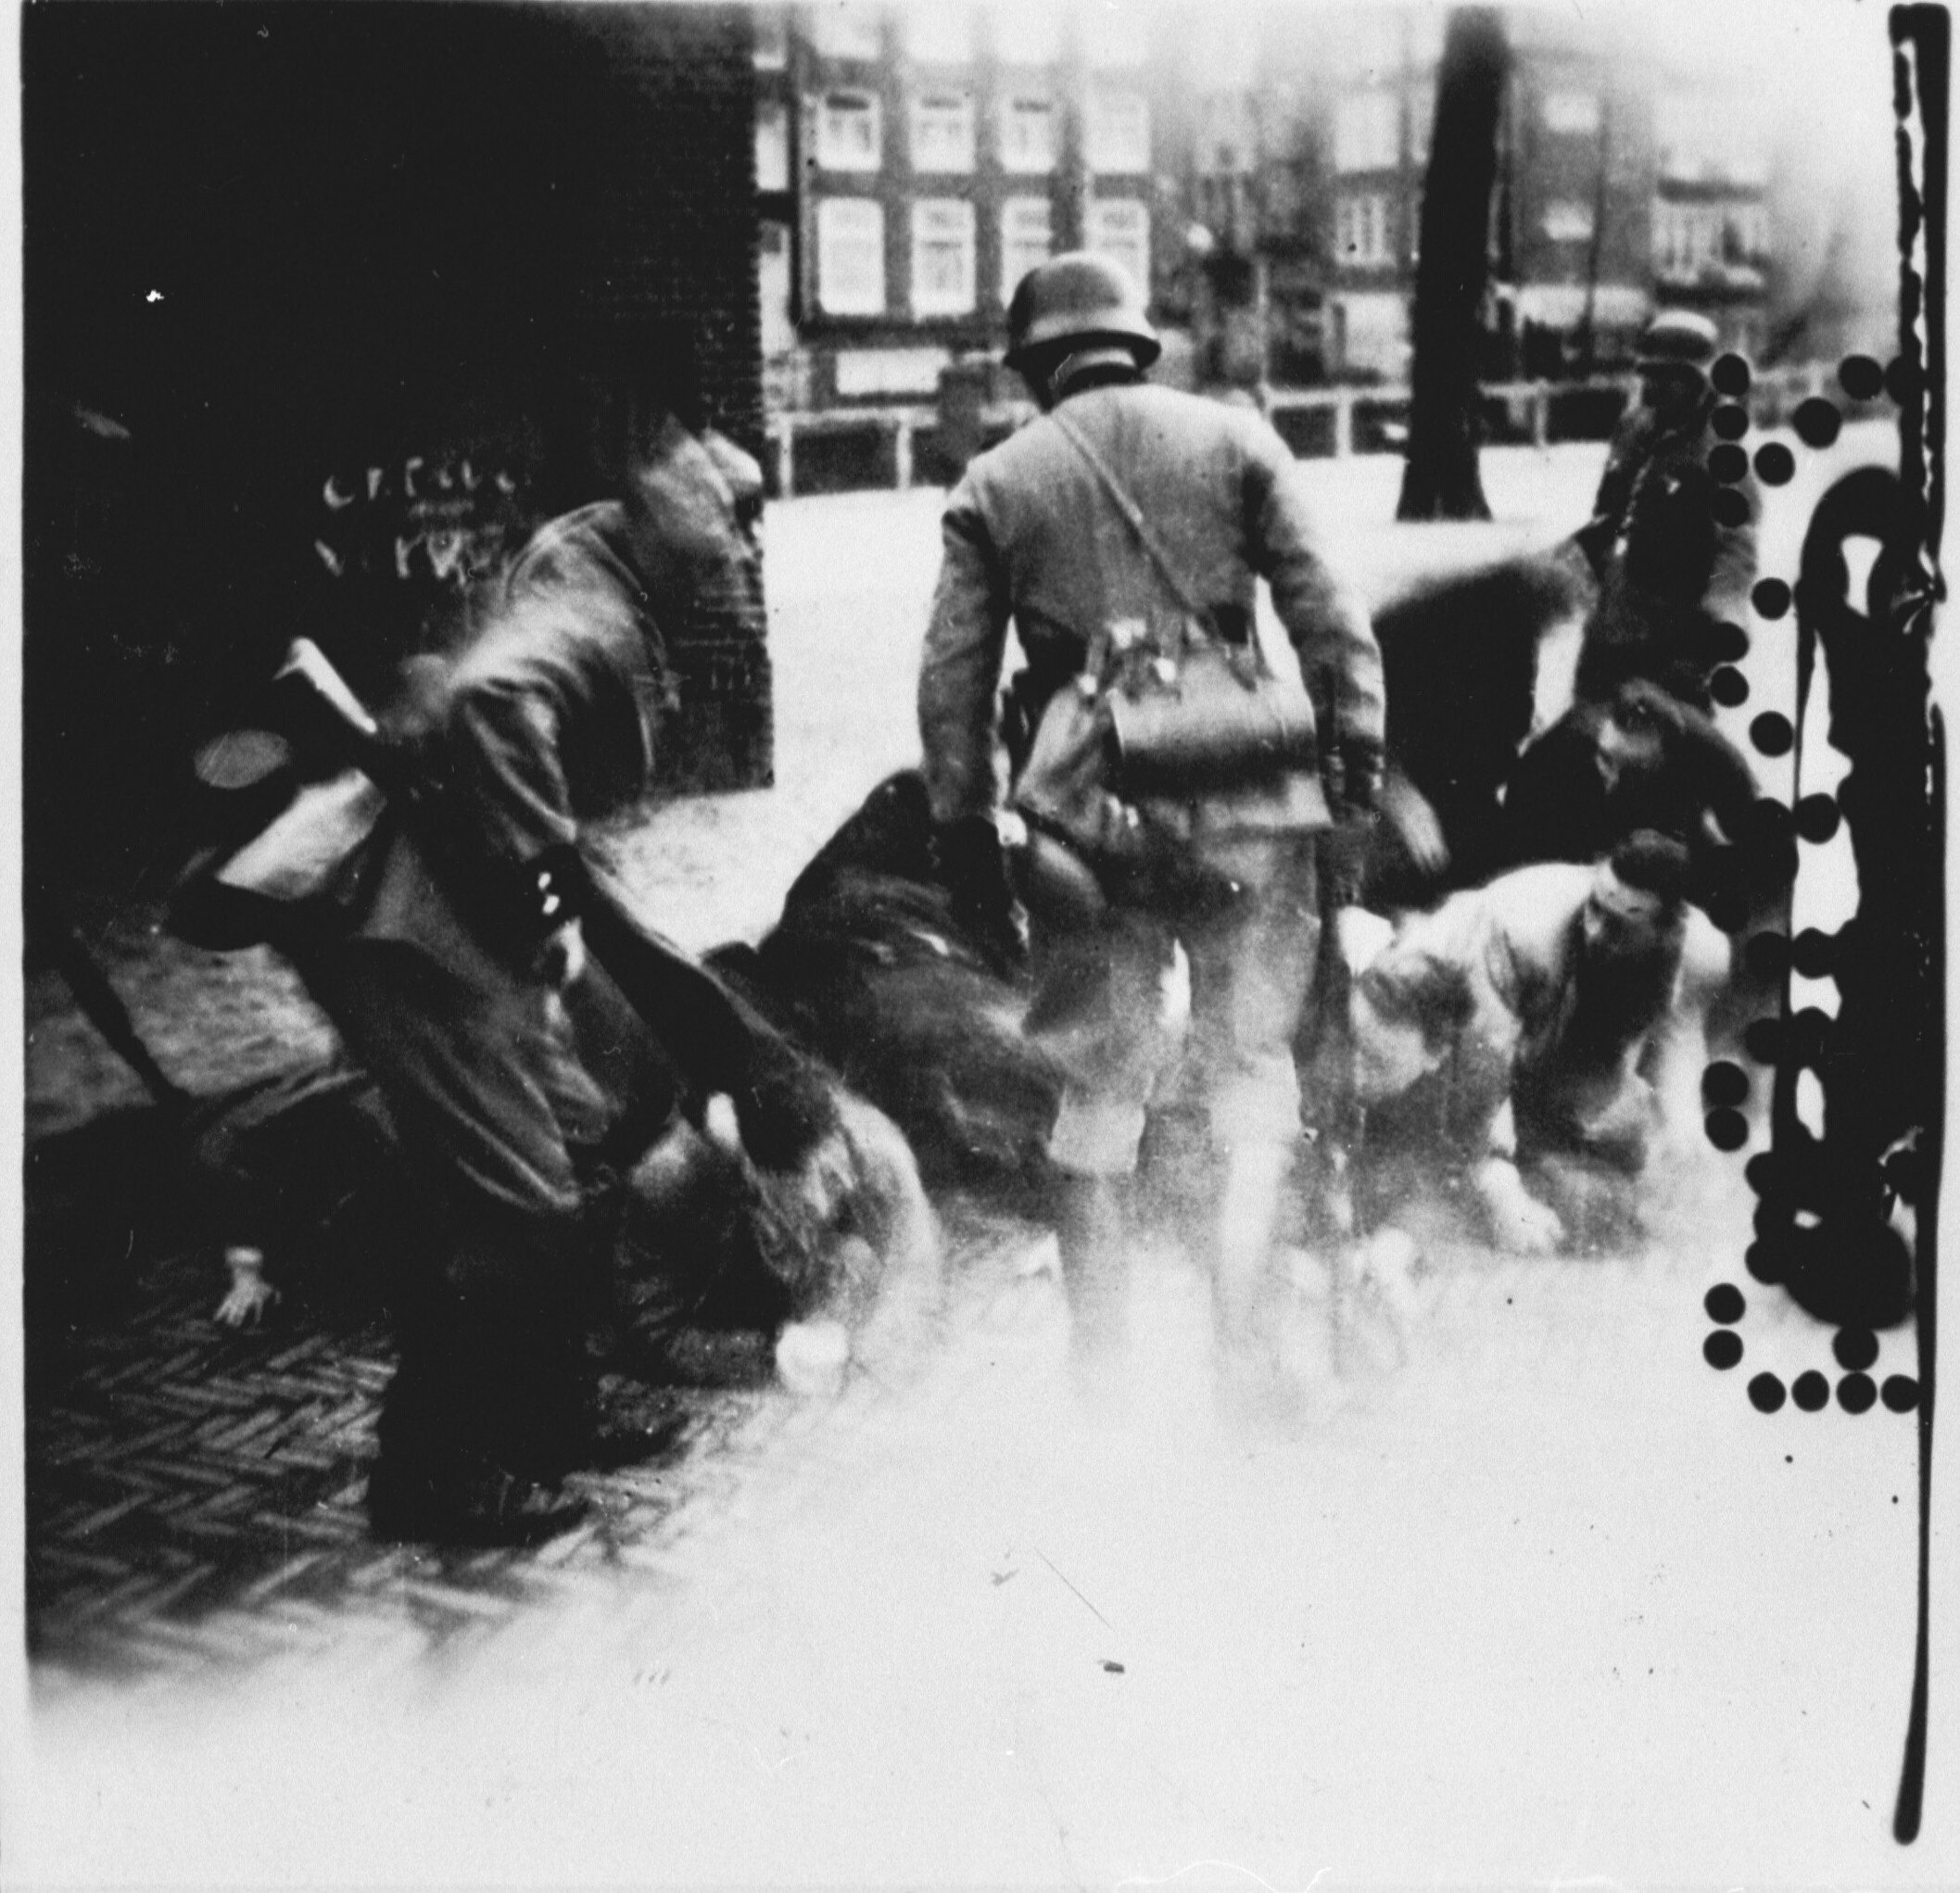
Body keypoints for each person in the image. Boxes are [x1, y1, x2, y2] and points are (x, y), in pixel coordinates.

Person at [917, 251, 1385, 1393]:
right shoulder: (1237, 441)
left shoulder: (996, 482)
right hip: (1246, 792)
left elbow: (952, 690)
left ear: (1036, 362)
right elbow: (1333, 627)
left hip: (1088, 810)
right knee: (1251, 1070)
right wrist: (1350, 782)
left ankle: (1105, 1380)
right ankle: (1244, 1356)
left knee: (1098, 1080)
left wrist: (967, 830)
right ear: (1137, 344)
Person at [1347, 831, 1730, 1254]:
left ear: (1668, 925)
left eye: (1621, 924)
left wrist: (1684, 1129)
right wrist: (1504, 1193)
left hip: (1541, 1039)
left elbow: (1678, 1031)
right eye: (1595, 908)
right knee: (1556, 1197)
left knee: (1622, 1158)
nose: (1595, 930)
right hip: (1433, 1027)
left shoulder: (1703, 953)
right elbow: (1482, 1067)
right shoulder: (1524, 925)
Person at [1571, 309, 1757, 704]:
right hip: (1610, 630)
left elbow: (1736, 546)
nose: (1653, 389)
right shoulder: (1633, 429)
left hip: (1674, 644)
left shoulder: (1722, 450)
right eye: (1648, 375)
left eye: (1667, 377)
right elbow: (1608, 521)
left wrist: (1724, 613)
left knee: (1671, 751)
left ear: (1697, 381)